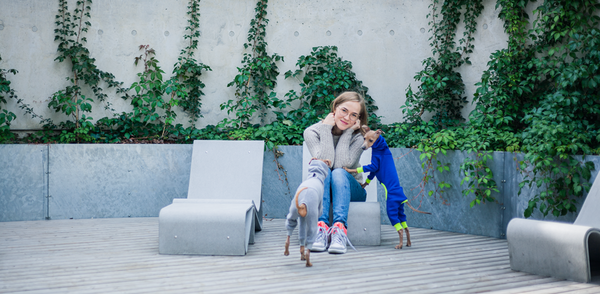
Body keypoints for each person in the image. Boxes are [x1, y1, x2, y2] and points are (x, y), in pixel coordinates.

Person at [303, 91, 369, 254]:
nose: (347, 118)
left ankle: (339, 229)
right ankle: (321, 228)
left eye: (354, 115)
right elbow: (326, 162)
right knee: (322, 168)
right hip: (323, 189)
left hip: (352, 190)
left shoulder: (359, 137)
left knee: (338, 173)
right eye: (344, 110)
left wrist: (347, 133)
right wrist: (326, 129)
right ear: (335, 107)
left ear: (358, 119)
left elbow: (340, 165)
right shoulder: (313, 132)